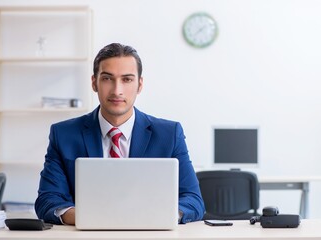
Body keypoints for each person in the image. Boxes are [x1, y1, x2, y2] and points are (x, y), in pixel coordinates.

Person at [35, 43, 205, 225]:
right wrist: (91, 218)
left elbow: (193, 201)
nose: (117, 91)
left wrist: (156, 216)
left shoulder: (169, 134)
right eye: (107, 79)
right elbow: (48, 200)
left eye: (127, 79)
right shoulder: (64, 134)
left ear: (139, 85)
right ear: (94, 83)